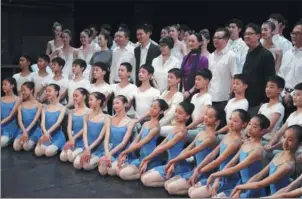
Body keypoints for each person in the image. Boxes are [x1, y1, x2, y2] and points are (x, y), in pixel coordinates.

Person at [187, 109, 250, 198]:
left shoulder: (237, 142)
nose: (231, 122)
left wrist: (200, 171)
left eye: (235, 121)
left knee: (194, 194)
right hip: (218, 175)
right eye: (230, 119)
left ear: (244, 124)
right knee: (191, 190)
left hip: (227, 178)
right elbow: (212, 154)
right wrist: (198, 169)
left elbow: (218, 162)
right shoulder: (227, 136)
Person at [207, 114, 270, 198]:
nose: (250, 128)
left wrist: (214, 175)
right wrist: (218, 179)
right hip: (241, 184)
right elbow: (232, 162)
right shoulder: (246, 144)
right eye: (249, 124)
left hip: (251, 188)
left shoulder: (258, 150)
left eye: (254, 126)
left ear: (263, 131)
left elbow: (236, 168)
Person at [164, 107, 223, 195]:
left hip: (204, 172)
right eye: (206, 114)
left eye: (210, 117)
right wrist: (174, 163)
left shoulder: (212, 138)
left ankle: (197, 188)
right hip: (195, 169)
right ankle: (193, 187)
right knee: (167, 184)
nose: (206, 117)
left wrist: (173, 161)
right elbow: (187, 149)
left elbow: (191, 153)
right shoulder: (200, 133)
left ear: (217, 121)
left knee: (172, 188)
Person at [230, 125, 302, 197]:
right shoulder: (279, 155)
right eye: (284, 137)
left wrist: (239, 187)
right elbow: (260, 174)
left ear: (300, 143)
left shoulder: (287, 166)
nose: (285, 142)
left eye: (290, 140)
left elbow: (260, 184)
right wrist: (240, 190)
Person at [140, 101, 195, 187]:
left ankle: (172, 180)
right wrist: (148, 160)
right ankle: (169, 181)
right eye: (176, 111)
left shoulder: (181, 133)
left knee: (146, 180)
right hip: (168, 163)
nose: (176, 114)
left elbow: (163, 148)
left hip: (176, 165)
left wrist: (146, 159)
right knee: (143, 177)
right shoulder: (173, 129)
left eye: (180, 113)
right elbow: (160, 146)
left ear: (187, 116)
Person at [117, 99, 169, 180]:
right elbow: (136, 140)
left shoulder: (156, 128)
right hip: (142, 157)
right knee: (119, 170)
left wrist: (124, 152)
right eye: (151, 106)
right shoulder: (145, 123)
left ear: (161, 111)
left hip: (150, 158)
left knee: (123, 174)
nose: (151, 109)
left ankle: (144, 173)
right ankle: (141, 172)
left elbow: (141, 143)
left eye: (155, 108)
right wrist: (126, 153)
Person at [98, 95, 136, 176]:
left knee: (111, 171)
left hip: (122, 151)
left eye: (117, 103)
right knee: (102, 171)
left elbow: (124, 142)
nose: (115, 105)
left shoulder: (130, 122)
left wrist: (109, 154)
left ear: (125, 104)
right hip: (110, 149)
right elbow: (106, 138)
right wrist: (107, 152)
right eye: (113, 104)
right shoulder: (109, 119)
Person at [242, 23, 275, 115]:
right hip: (246, 100)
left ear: (258, 36)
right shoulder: (248, 53)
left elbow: (270, 80)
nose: (247, 36)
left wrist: (264, 101)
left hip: (258, 103)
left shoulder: (266, 54)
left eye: (250, 34)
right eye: (245, 34)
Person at [73, 92, 108, 170]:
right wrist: (86, 148)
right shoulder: (87, 115)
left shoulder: (106, 118)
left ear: (99, 101)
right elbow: (85, 133)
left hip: (98, 148)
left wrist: (89, 148)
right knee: (77, 165)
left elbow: (100, 137)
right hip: (87, 146)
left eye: (91, 100)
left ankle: (99, 158)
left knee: (86, 166)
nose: (89, 102)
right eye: (88, 100)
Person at [208, 28, 237, 112]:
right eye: (214, 37)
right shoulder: (210, 56)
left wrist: (231, 97)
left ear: (226, 39)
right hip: (210, 97)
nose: (215, 40)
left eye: (219, 38)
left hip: (224, 98)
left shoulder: (231, 56)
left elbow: (234, 77)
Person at [278, 19, 302, 120]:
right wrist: (284, 94)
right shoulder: (287, 53)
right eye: (292, 33)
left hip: (299, 97)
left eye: (297, 33)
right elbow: (281, 74)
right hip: (283, 96)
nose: (293, 36)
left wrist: (292, 94)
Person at [34, 84, 66, 157]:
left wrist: (47, 132)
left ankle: (57, 147)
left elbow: (58, 123)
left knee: (48, 152)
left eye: (49, 91)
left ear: (56, 92)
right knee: (38, 152)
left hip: (57, 135)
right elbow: (42, 123)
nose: (47, 93)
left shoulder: (62, 108)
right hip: (46, 134)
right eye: (46, 91)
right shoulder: (45, 107)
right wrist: (45, 133)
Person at [59, 88, 90, 163]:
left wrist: (74, 138)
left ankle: (80, 152)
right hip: (73, 139)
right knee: (63, 157)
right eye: (73, 96)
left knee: (71, 157)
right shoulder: (72, 112)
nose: (74, 98)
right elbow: (69, 127)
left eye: (76, 96)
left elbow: (85, 128)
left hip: (84, 139)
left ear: (84, 97)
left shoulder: (89, 111)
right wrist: (70, 139)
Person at [13, 82, 42, 151]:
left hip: (34, 130)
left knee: (26, 147)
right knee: (16, 147)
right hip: (23, 129)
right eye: (21, 91)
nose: (22, 92)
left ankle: (34, 140)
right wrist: (24, 131)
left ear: (31, 90)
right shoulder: (21, 105)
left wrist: (26, 132)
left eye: (24, 90)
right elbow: (20, 120)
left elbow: (35, 120)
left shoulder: (39, 105)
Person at [186, 69, 213, 141]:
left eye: (199, 79)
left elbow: (201, 118)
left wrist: (187, 127)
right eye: (195, 79)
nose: (196, 82)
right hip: (193, 127)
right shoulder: (194, 96)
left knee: (180, 134)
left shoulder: (207, 97)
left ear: (206, 81)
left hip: (201, 129)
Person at [258, 75, 285, 145]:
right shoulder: (263, 106)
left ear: (280, 90)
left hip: (268, 141)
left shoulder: (279, 107)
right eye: (267, 87)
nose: (267, 89)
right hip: (258, 137)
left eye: (271, 87)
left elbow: (269, 127)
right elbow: (255, 121)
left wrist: (254, 136)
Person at [1, 77, 21, 147]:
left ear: (12, 86)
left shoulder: (18, 99)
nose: (3, 86)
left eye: (5, 84)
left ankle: (10, 139)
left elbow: (11, 116)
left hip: (11, 127)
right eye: (2, 84)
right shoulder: (1, 99)